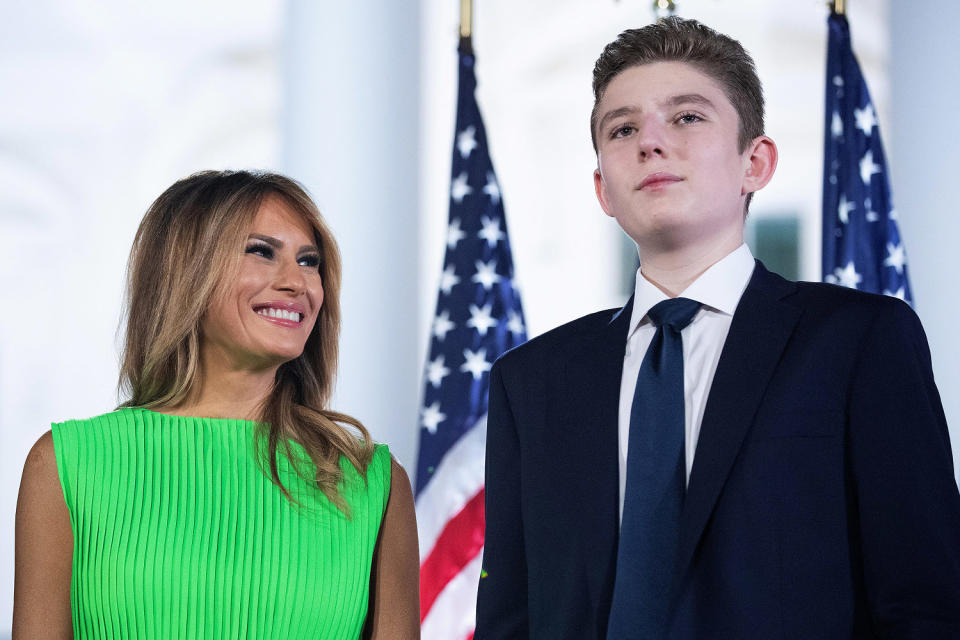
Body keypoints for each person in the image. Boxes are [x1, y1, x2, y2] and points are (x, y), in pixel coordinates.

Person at [476, 17, 960, 639]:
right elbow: (510, 620)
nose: (650, 142)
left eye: (687, 117)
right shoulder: (529, 381)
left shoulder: (860, 342)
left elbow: (925, 603)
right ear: (603, 188)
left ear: (755, 163)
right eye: (622, 129)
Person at [13, 170, 421, 639]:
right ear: (186, 271)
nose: (298, 283)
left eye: (309, 261)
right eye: (262, 251)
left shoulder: (371, 482)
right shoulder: (68, 464)